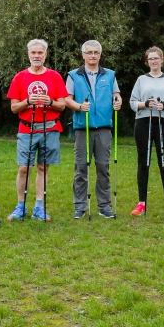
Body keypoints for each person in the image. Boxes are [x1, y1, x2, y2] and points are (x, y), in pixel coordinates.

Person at [7, 39, 67, 222]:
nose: (37, 56)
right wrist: (28, 101)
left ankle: (39, 207)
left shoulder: (55, 76)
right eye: (33, 53)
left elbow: (62, 106)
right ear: (28, 55)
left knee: (43, 167)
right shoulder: (20, 77)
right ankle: (20, 206)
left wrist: (49, 101)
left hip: (50, 128)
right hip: (27, 129)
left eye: (40, 53)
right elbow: (14, 108)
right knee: (24, 168)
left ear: (45, 54)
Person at [63, 40, 122, 219]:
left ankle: (104, 206)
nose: (93, 56)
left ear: (100, 55)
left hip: (104, 127)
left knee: (103, 167)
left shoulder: (110, 75)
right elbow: (67, 98)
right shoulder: (74, 75)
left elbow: (116, 94)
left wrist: (118, 100)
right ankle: (80, 206)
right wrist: (80, 107)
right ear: (83, 55)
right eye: (89, 52)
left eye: (96, 52)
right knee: (81, 168)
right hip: (83, 128)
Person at [129, 46, 164, 216]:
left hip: (163, 122)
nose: (153, 61)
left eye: (156, 58)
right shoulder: (141, 80)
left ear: (162, 60)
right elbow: (132, 102)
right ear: (147, 61)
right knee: (143, 162)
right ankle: (141, 203)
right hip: (144, 123)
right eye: (150, 59)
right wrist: (145, 104)